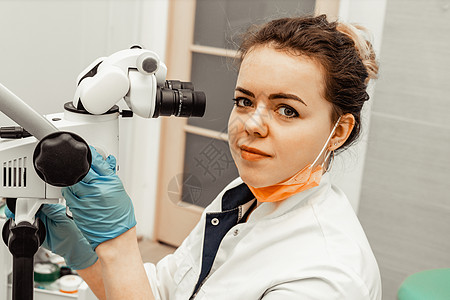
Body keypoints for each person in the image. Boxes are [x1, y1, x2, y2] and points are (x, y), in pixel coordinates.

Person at [8, 14, 381, 299]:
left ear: (340, 131)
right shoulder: (243, 197)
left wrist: (118, 246)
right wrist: (83, 250)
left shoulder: (325, 276)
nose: (252, 124)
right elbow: (162, 291)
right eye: (245, 101)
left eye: (287, 110)